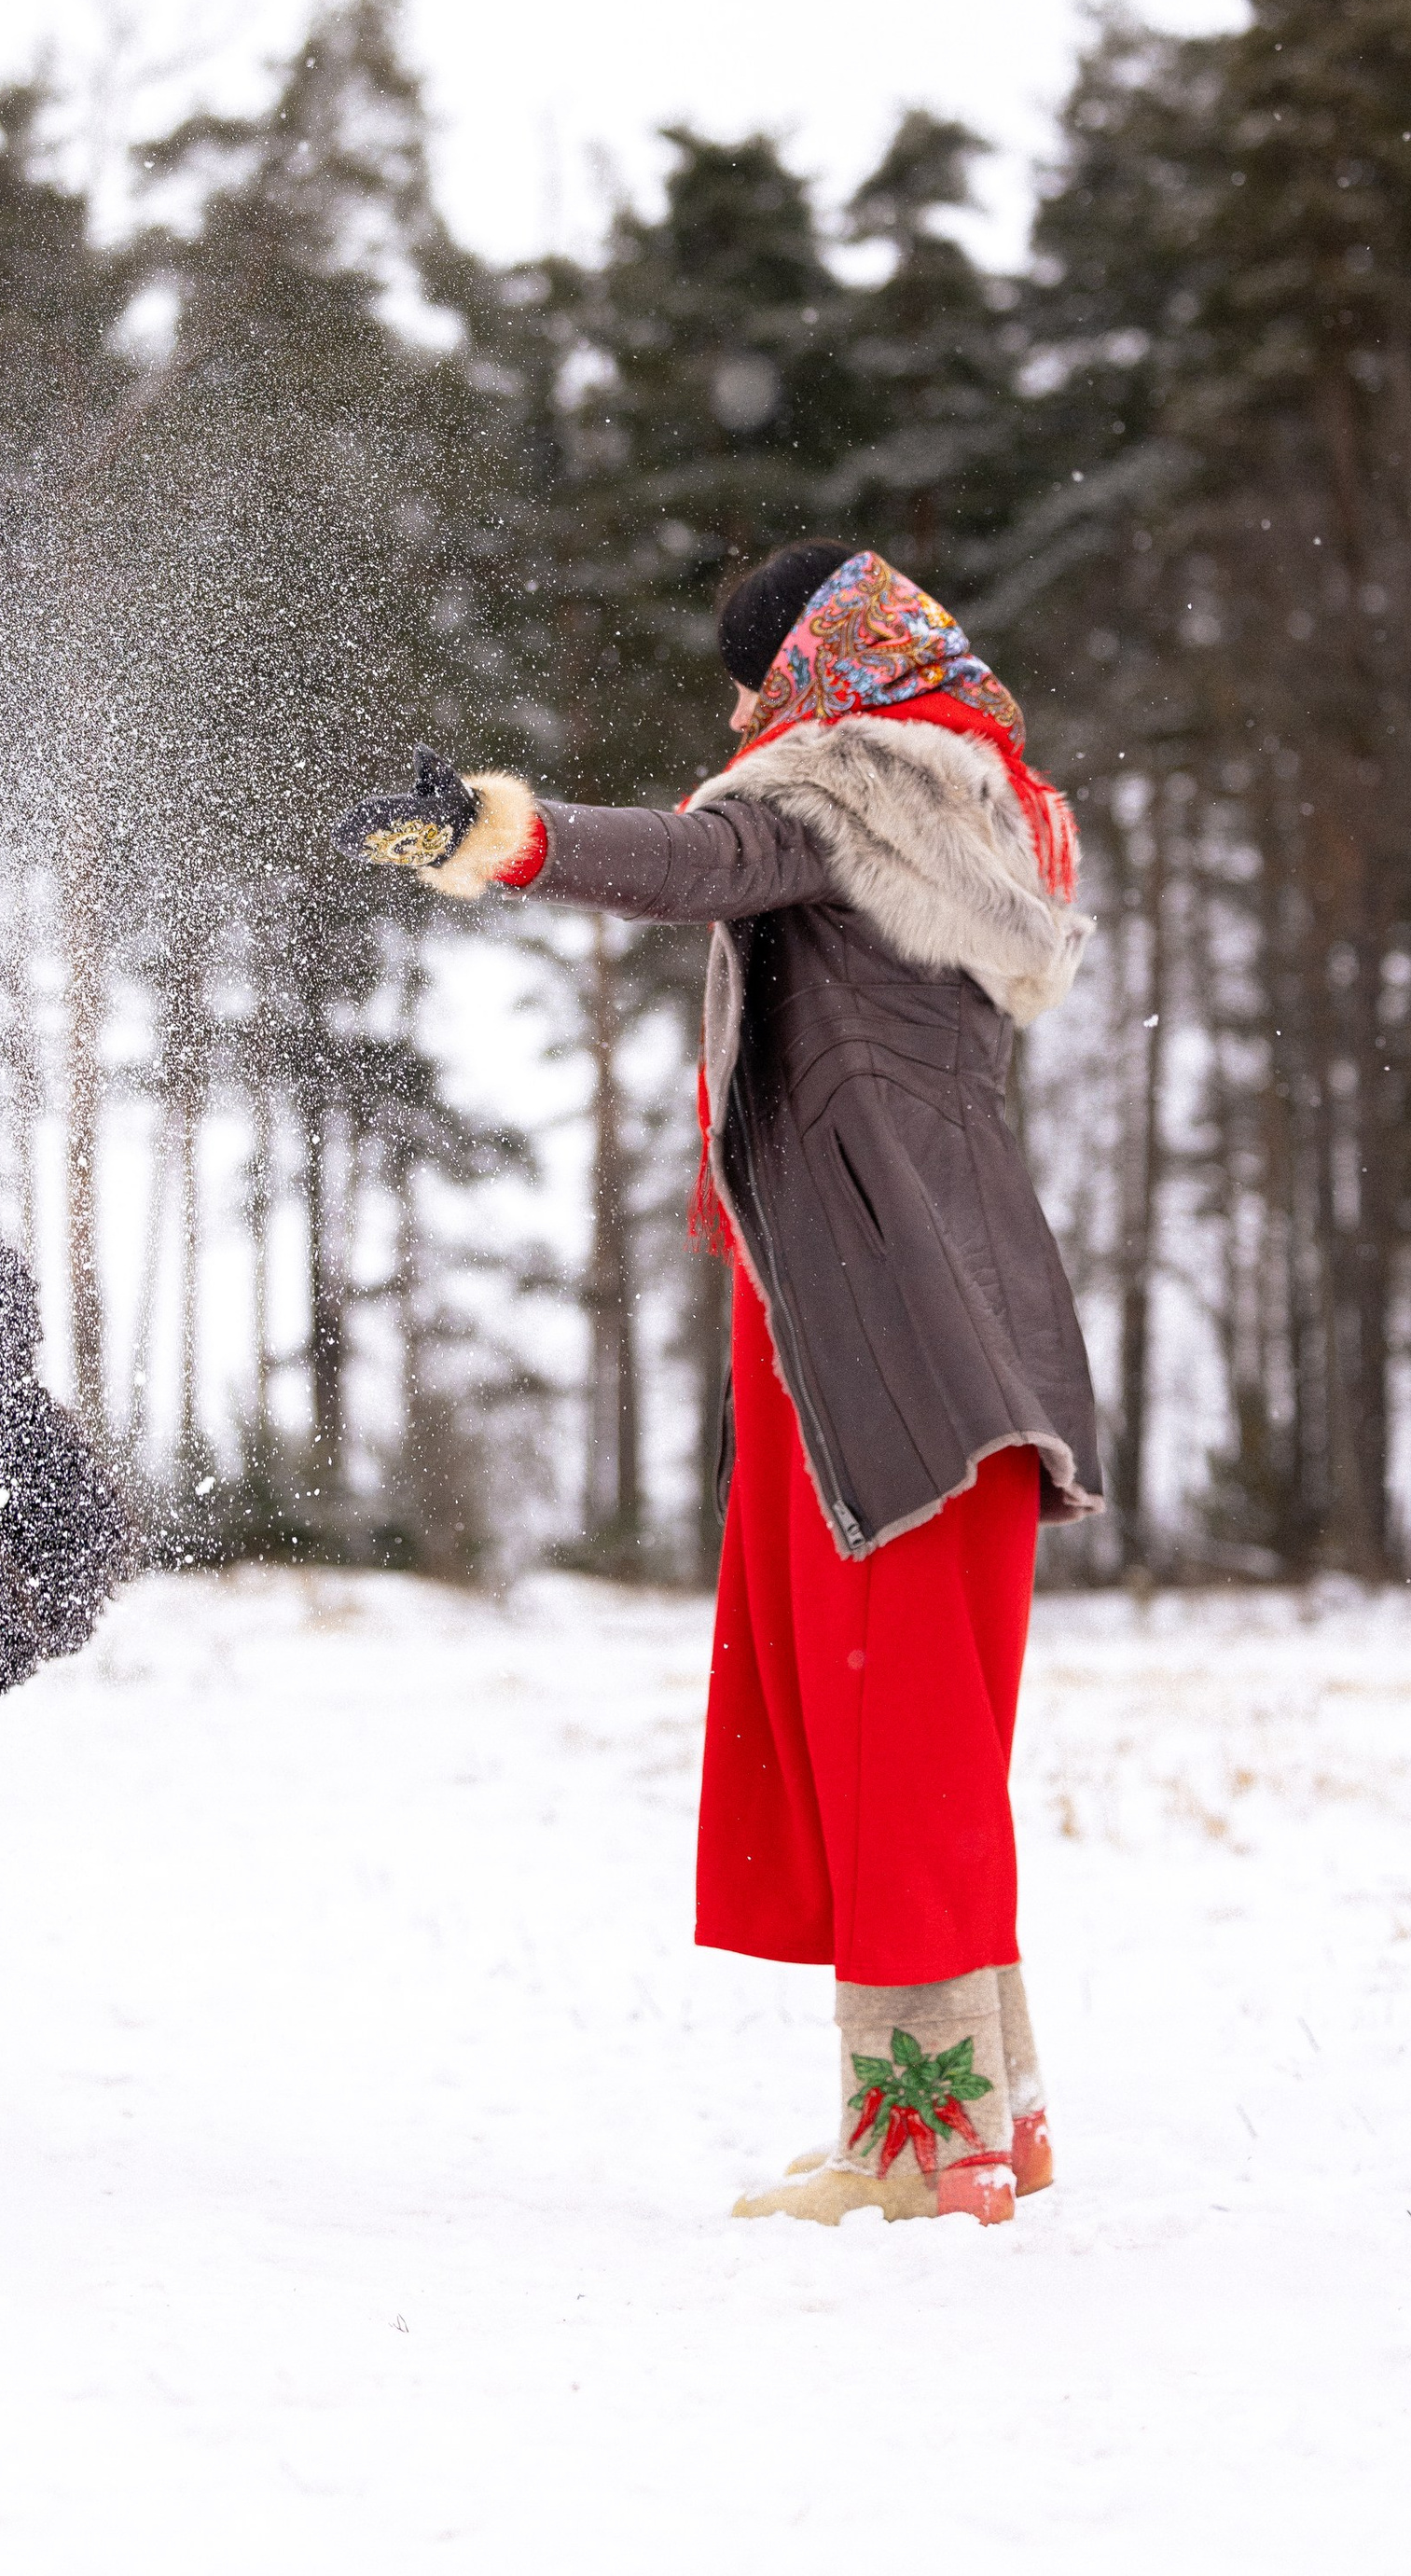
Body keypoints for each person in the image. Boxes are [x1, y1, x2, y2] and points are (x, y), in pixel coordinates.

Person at [335, 543, 1100, 2225]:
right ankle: (997, 2112)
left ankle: (924, 2147)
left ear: (810, 670)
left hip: (873, 1322)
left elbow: (699, 856)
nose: (740, 715)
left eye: (749, 679)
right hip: (976, 1319)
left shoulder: (848, 787)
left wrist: (496, 830)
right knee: (937, 1730)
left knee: (892, 1721)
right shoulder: (987, 800)